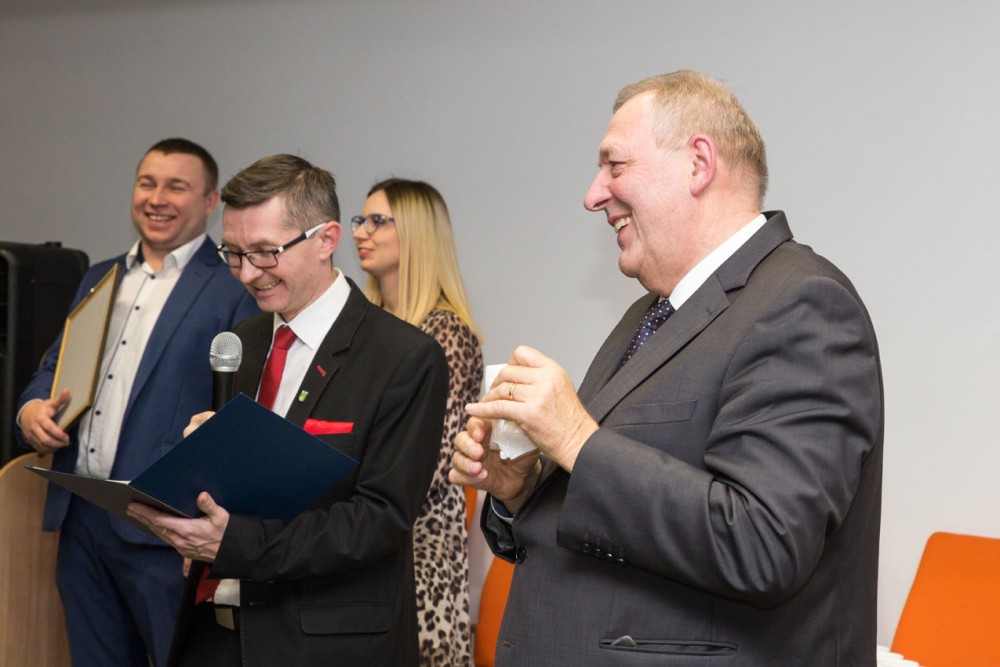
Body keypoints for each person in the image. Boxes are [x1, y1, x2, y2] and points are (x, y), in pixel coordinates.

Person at [450, 70, 884, 665]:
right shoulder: (651, 312)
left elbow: (765, 544)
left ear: (698, 164)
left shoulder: (804, 304)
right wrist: (523, 492)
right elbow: (618, 510)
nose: (593, 195)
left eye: (615, 165)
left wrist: (575, 439)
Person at [126, 154, 449, 667]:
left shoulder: (404, 357)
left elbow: (379, 519)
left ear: (326, 239)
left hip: (321, 643)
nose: (247, 273)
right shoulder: (245, 339)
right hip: (214, 630)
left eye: (265, 252)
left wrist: (233, 542)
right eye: (234, 253)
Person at [16, 138, 259, 667]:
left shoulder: (234, 287)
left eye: (177, 186)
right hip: (81, 519)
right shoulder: (99, 276)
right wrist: (31, 409)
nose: (157, 198)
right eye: (147, 183)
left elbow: (244, 412)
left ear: (211, 202)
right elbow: (52, 368)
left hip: (165, 531)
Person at [353, 178, 483, 666]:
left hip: (418, 550)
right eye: (360, 221)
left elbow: (425, 464)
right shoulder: (361, 327)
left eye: (377, 221)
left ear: (417, 234)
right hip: (355, 538)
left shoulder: (445, 333)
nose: (361, 232)